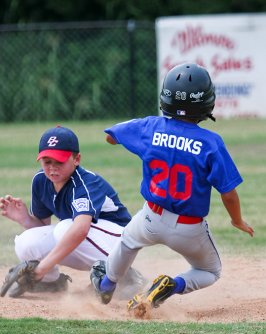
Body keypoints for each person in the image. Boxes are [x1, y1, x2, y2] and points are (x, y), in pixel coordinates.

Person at [90, 62, 254, 313]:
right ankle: (171, 285)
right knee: (210, 271)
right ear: (207, 103)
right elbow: (228, 192)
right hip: (188, 229)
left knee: (127, 243)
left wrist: (141, 134)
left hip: (150, 217)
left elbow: (111, 137)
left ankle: (106, 285)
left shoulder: (150, 126)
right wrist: (237, 220)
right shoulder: (211, 142)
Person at [0, 125, 146, 298]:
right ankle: (51, 283)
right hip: (87, 240)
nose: (52, 167)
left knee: (65, 229)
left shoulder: (85, 183)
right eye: (47, 162)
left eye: (59, 161)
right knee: (26, 243)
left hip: (120, 242)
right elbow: (41, 228)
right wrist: (23, 218)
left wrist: (39, 269)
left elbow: (80, 230)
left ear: (76, 159)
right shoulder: (41, 181)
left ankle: (125, 277)